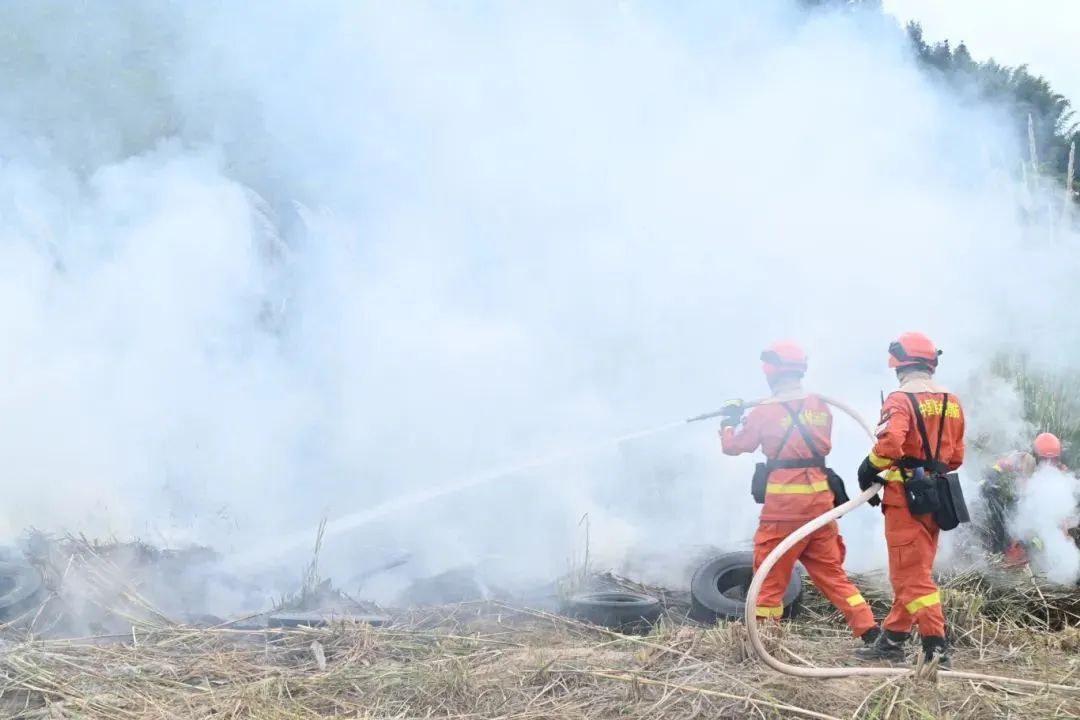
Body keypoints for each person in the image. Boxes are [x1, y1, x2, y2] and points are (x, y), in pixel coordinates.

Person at [720, 341, 879, 645]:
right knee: (834, 577)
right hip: (820, 506)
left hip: (783, 510)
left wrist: (729, 421)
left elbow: (734, 446)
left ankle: (765, 642)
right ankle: (870, 631)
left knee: (769, 580)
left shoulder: (765, 411)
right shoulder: (820, 405)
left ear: (770, 371)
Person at [855, 332, 965, 667]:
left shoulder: (899, 400)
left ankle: (936, 646)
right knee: (915, 569)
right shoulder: (952, 401)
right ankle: (893, 639)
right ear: (931, 364)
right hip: (938, 495)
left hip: (906, 499)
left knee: (910, 576)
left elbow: (889, 446)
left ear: (900, 366)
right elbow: (957, 456)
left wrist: (868, 468)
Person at [979, 433, 1066, 565]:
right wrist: (990, 478)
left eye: (1053, 460)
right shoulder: (1020, 460)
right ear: (1035, 456)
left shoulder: (1061, 477)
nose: (1048, 465)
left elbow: (1058, 526)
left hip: (1036, 523)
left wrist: (1030, 547)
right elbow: (998, 467)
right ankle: (996, 552)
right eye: (1044, 460)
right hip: (1014, 507)